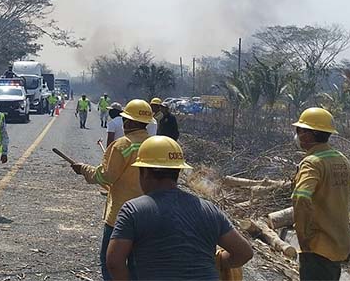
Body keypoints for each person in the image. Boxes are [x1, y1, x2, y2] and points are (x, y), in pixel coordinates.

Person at [106, 136, 254, 281]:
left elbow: (114, 262)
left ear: (144, 172)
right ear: (177, 172)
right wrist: (219, 262)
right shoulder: (209, 210)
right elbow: (244, 253)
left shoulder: (133, 210)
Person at [69, 99, 153, 281]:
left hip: (121, 215)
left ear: (130, 122)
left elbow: (106, 177)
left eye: (125, 120)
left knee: (110, 261)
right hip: (149, 213)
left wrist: (84, 169)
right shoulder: (153, 145)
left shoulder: (123, 145)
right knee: (136, 263)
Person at [291, 108, 350, 281]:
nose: (298, 135)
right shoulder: (342, 159)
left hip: (318, 246)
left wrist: (303, 237)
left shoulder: (312, 163)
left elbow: (301, 197)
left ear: (309, 135)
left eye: (300, 130)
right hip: (339, 242)